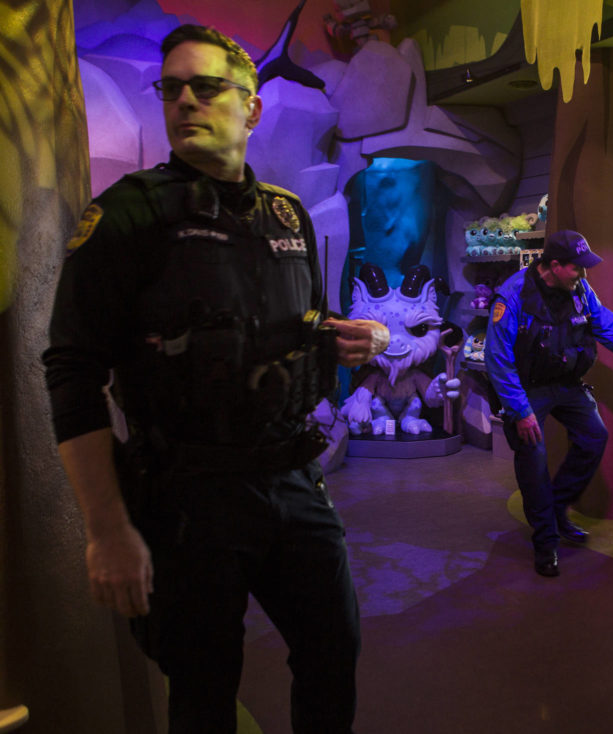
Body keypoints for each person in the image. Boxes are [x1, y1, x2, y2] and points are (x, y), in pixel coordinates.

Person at [43, 24, 378, 733]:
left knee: (334, 649)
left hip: (292, 481)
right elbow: (72, 372)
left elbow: (304, 321)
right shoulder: (128, 214)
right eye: (172, 88)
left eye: (206, 87)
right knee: (203, 691)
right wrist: (107, 530)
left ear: (251, 108)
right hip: (188, 501)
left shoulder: (285, 214)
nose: (185, 101)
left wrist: (354, 336)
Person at [485, 229, 613, 577]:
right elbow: (497, 359)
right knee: (534, 458)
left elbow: (607, 324)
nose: (583, 274)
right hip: (527, 391)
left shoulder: (580, 291)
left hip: (567, 384)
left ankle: (557, 509)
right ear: (554, 266)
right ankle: (545, 542)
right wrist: (520, 410)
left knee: (594, 437)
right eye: (576, 267)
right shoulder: (512, 295)